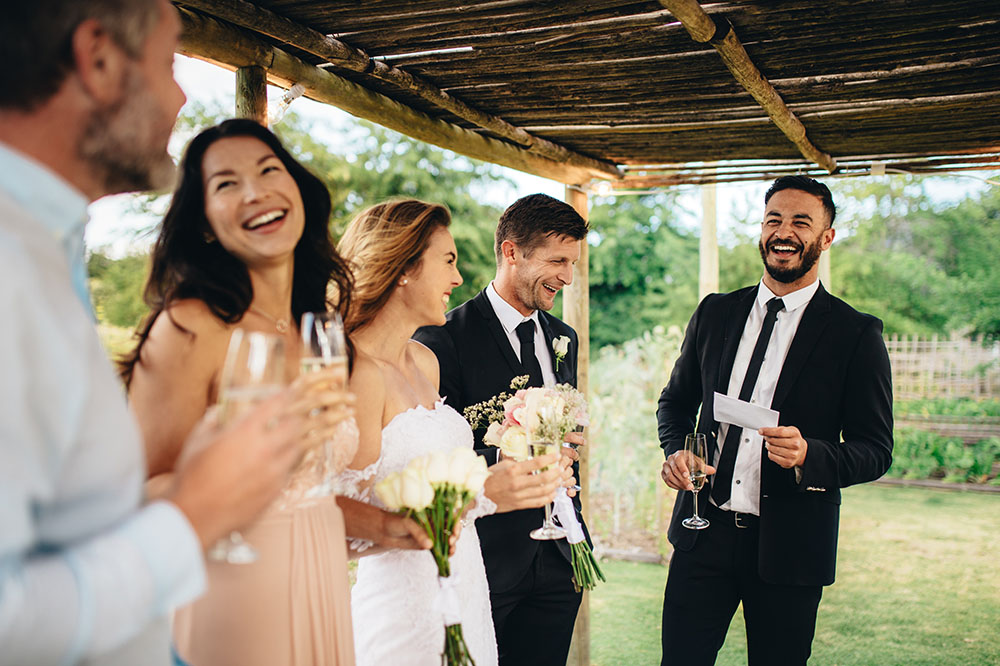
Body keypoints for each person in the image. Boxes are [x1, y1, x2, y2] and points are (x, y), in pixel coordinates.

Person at [0, 2, 324, 664]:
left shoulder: (48, 248)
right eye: (171, 63)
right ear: (97, 58)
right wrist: (196, 510)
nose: (180, 96)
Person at [121, 119, 361, 665]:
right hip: (232, 584)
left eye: (269, 170)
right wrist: (247, 466)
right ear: (204, 223)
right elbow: (138, 494)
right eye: (226, 183)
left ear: (298, 190)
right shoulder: (190, 324)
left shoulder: (318, 327)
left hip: (322, 570)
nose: (255, 191)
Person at [657, 175, 894, 665]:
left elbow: (875, 449)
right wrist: (677, 450)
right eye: (773, 220)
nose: (783, 232)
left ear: (826, 238)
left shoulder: (856, 334)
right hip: (703, 535)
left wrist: (812, 454)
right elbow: (675, 402)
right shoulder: (715, 313)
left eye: (801, 223)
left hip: (792, 549)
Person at [337, 200, 566, 666]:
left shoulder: (425, 363)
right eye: (448, 261)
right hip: (403, 612)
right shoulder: (358, 373)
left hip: (465, 590)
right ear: (403, 269)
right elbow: (337, 523)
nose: (458, 279)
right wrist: (482, 493)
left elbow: (434, 476)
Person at [414, 193, 592, 666]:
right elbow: (430, 453)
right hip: (487, 556)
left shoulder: (562, 339)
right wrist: (505, 459)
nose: (567, 277)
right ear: (512, 252)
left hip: (560, 556)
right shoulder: (441, 339)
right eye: (557, 261)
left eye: (572, 263)